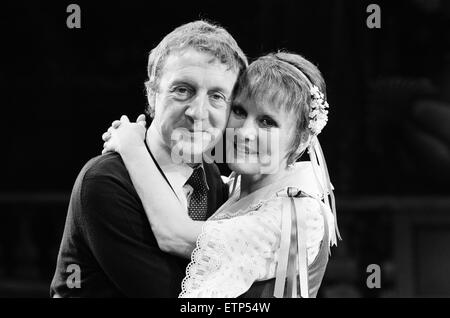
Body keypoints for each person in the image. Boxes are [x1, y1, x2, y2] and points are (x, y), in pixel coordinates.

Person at [102, 52, 341, 298]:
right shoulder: (227, 188)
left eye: (267, 122)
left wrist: (132, 147)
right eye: (239, 111)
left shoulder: (298, 213)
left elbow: (174, 236)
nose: (245, 132)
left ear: (301, 140)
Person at [50, 20, 248, 297]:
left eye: (216, 96)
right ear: (152, 94)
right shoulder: (105, 181)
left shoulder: (211, 179)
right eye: (183, 90)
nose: (198, 112)